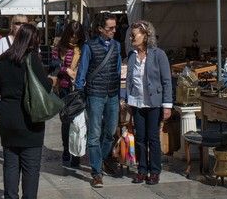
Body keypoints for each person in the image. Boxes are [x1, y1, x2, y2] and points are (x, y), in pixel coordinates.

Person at [0, 23, 50, 199]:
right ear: (33, 40)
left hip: (8, 117)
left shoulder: (1, 60)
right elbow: (45, 87)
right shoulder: (32, 60)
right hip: (29, 118)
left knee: (11, 165)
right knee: (31, 166)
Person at [75, 12, 123, 188]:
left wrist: (121, 95)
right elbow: (82, 70)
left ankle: (100, 159)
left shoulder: (117, 46)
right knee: (94, 134)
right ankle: (97, 172)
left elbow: (118, 71)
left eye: (115, 27)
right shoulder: (89, 46)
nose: (114, 30)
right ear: (100, 29)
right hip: (95, 94)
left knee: (110, 132)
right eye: (110, 28)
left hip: (112, 94)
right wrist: (80, 91)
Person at [123, 20, 172, 185]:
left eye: (134, 35)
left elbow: (166, 81)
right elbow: (129, 78)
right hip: (137, 102)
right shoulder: (131, 56)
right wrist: (126, 99)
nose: (131, 38)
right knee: (139, 138)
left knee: (153, 138)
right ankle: (142, 169)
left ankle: (155, 171)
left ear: (145, 36)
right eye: (131, 35)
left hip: (154, 103)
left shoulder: (159, 55)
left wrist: (167, 105)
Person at [52, 19, 85, 167]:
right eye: (72, 36)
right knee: (66, 121)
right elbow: (53, 65)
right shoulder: (60, 47)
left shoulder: (84, 48)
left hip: (79, 90)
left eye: (77, 36)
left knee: (78, 123)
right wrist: (66, 70)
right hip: (64, 89)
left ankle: (76, 153)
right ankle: (66, 149)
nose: (74, 39)